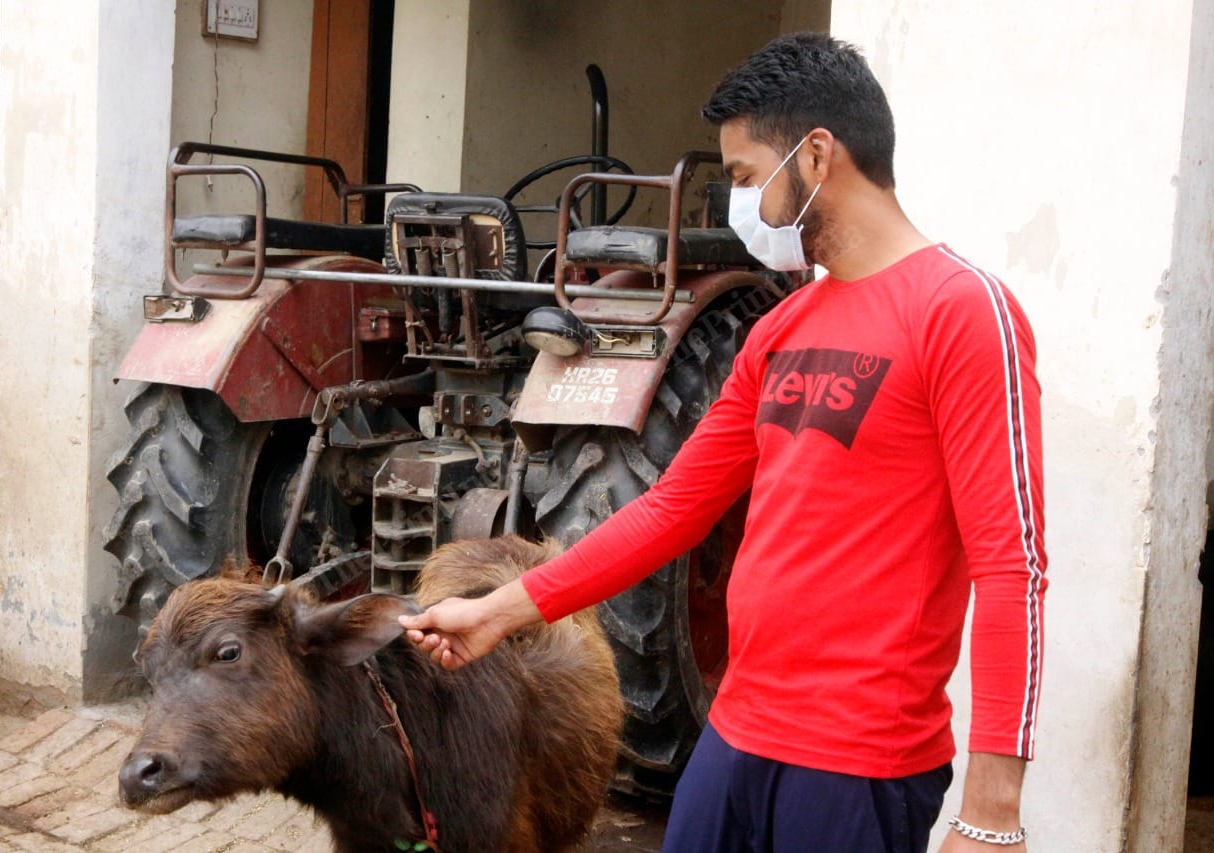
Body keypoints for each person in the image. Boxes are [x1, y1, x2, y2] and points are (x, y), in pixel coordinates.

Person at [399, 33, 1046, 853]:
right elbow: (672, 508)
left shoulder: (962, 311)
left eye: (746, 177)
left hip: (861, 758)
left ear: (816, 157)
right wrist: (496, 612)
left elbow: (1011, 566)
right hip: (738, 733)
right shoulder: (782, 326)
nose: (742, 204)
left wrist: (991, 811)